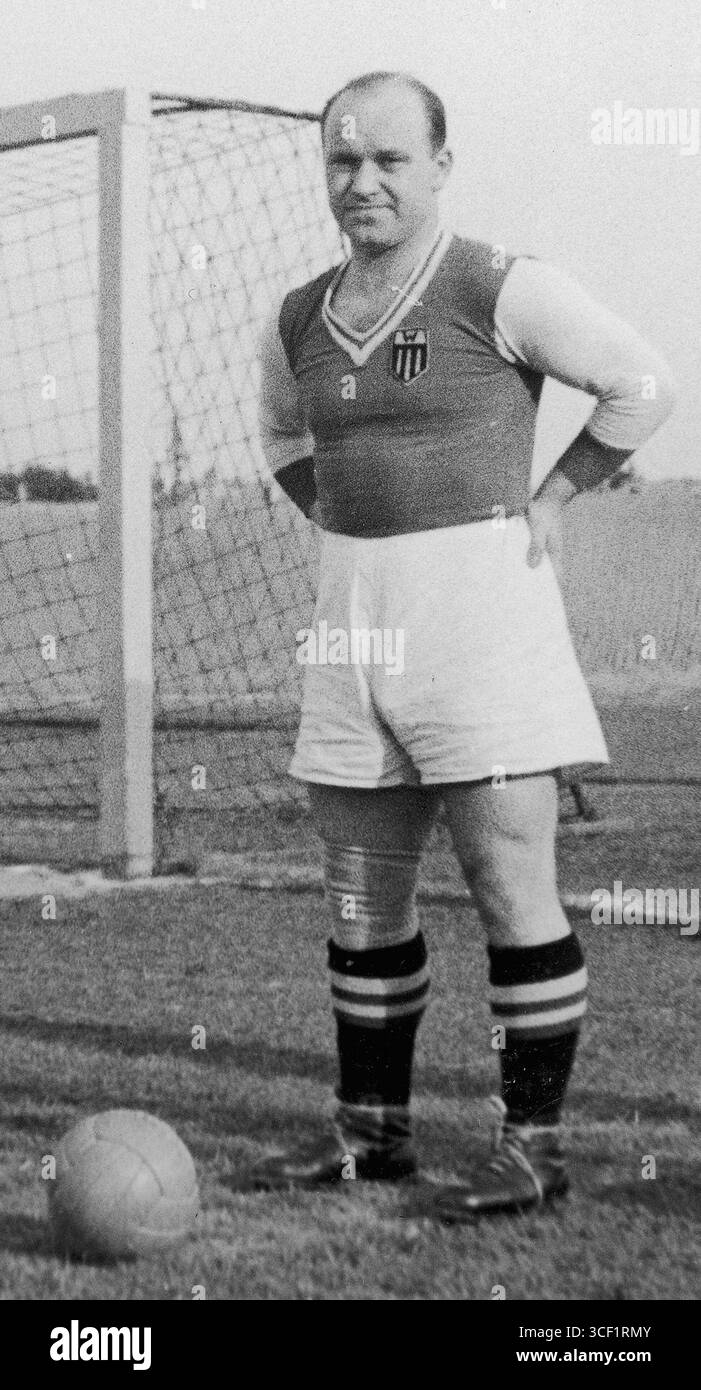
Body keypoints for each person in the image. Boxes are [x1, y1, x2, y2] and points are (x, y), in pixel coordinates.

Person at [254, 71, 676, 1220]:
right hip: (350, 629)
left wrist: (550, 499)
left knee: (506, 885)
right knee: (360, 898)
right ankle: (370, 1138)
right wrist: (357, 530)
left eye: (390, 158)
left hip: (481, 623)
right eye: (342, 160)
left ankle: (530, 1148)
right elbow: (282, 438)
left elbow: (637, 386)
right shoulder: (298, 314)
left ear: (441, 163)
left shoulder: (497, 282)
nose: (364, 180)